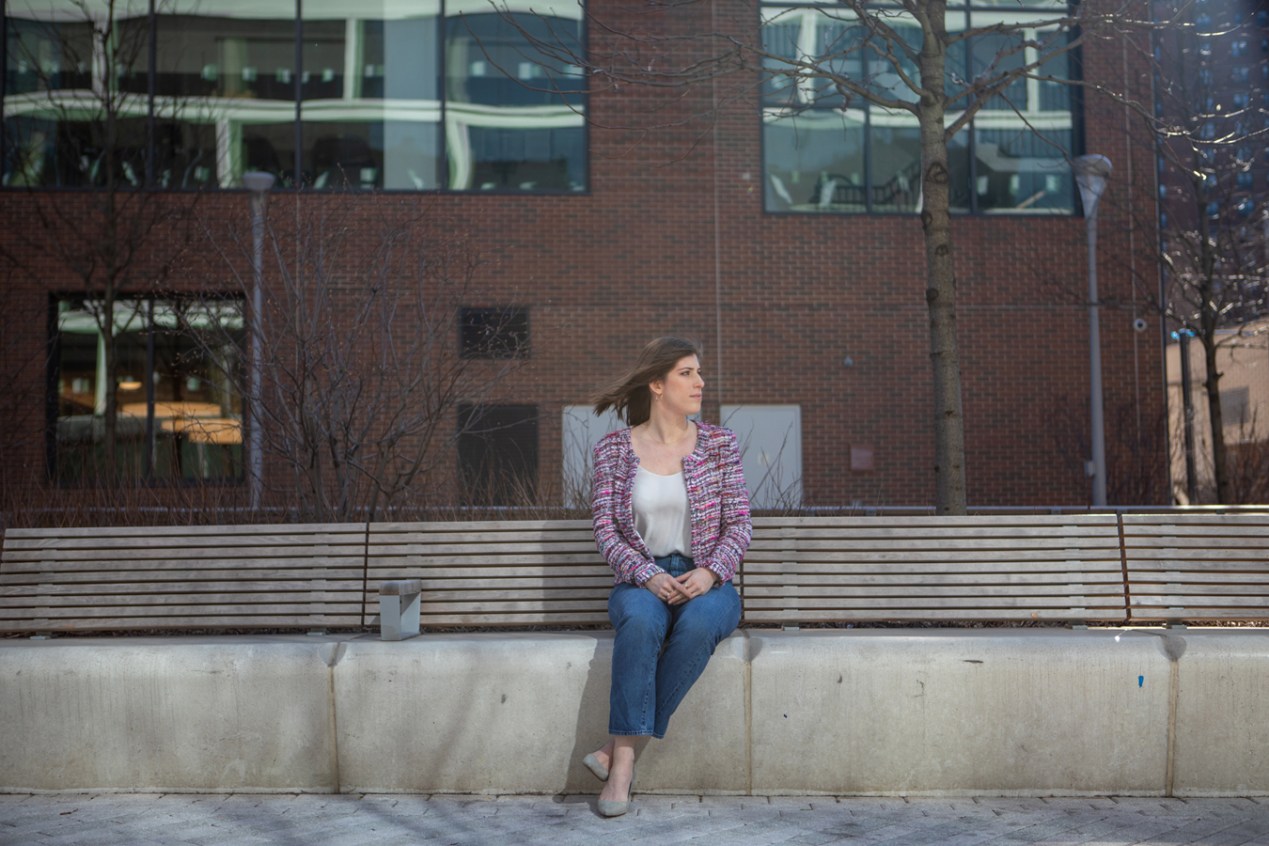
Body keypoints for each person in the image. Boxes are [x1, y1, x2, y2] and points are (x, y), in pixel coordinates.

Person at [582, 336, 751, 817]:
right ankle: (623, 769)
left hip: (710, 582)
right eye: (687, 373)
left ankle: (617, 752)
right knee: (640, 623)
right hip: (641, 581)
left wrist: (711, 571)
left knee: (699, 625)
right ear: (657, 384)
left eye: (699, 373)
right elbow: (605, 530)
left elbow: (740, 524)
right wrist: (646, 574)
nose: (700, 383)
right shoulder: (614, 449)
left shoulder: (719, 444)